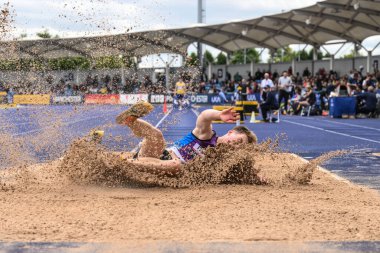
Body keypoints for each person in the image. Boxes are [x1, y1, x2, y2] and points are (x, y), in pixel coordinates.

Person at [114, 101, 257, 176]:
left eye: (240, 147)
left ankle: (125, 164)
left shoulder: (223, 161)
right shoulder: (207, 136)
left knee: (176, 166)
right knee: (157, 136)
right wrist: (219, 115)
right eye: (238, 141)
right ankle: (130, 121)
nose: (235, 146)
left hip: (167, 170)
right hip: (158, 155)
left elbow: (243, 173)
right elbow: (204, 116)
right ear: (231, 132)